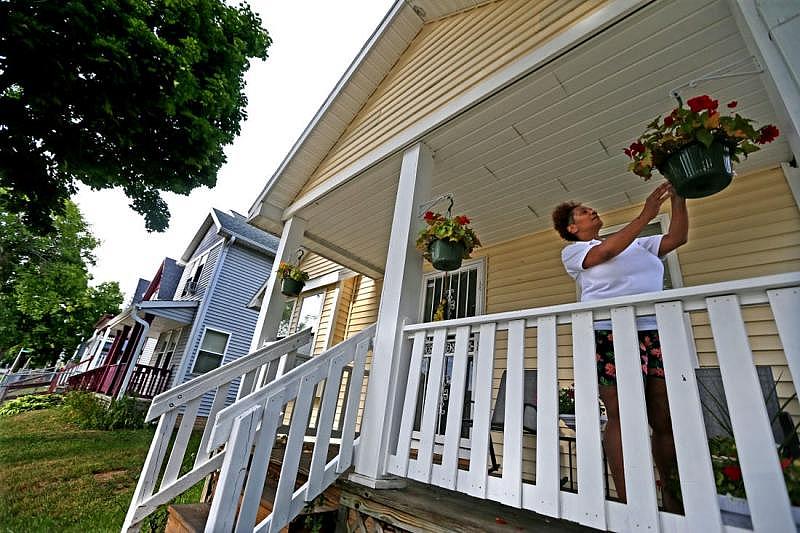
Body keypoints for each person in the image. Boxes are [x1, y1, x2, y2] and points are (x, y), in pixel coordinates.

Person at [551, 182, 688, 512]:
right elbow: (606, 253)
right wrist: (647, 213)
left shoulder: (639, 244)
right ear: (572, 227)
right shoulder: (574, 252)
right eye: (582, 212)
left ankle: (674, 501)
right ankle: (631, 506)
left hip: (653, 332)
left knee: (664, 417)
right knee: (621, 415)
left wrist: (679, 200)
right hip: (608, 334)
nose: (590, 211)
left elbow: (676, 238)